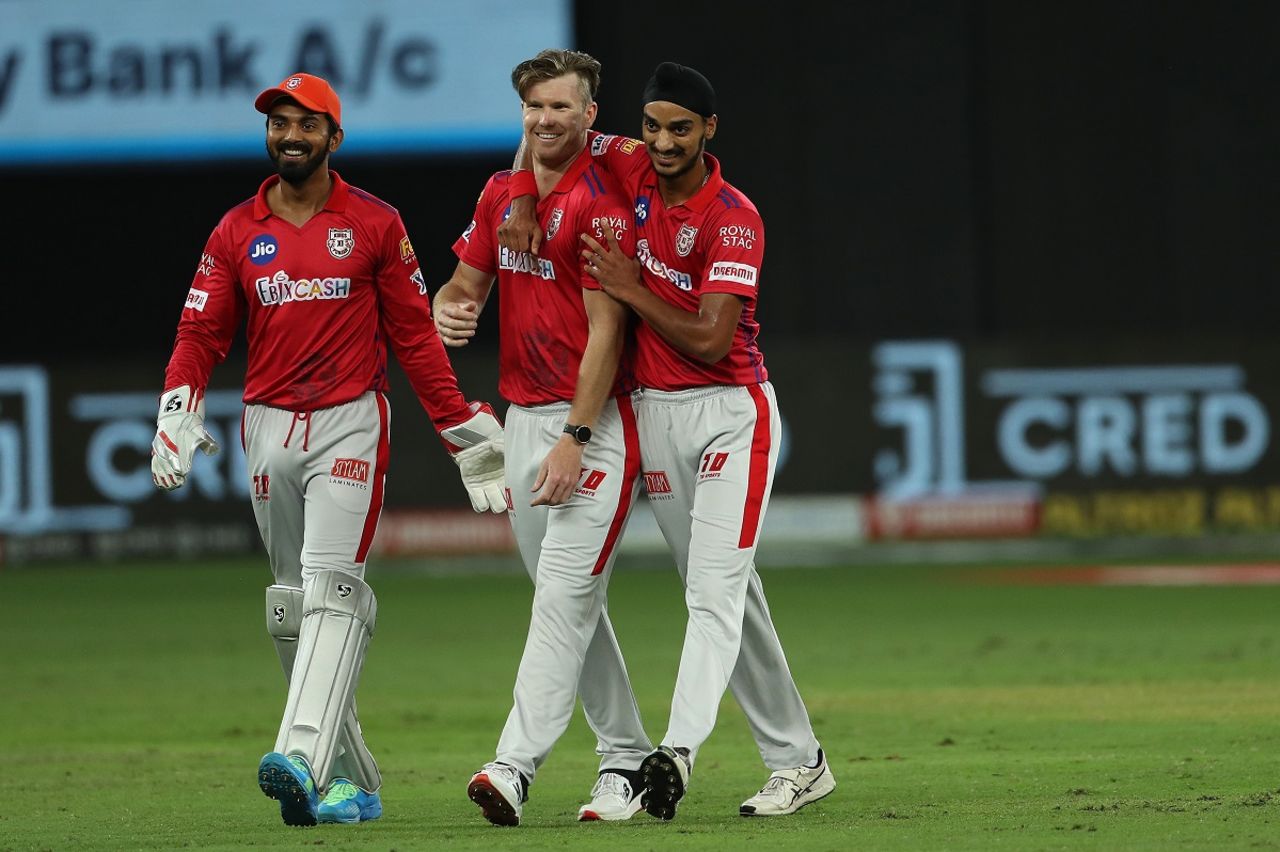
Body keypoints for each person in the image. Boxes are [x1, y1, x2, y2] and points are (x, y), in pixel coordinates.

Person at [149, 72, 507, 828]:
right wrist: (178, 404)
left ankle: (302, 758)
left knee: (331, 587)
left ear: (333, 138)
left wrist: (460, 432)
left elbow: (413, 334)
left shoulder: (375, 223)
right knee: (291, 606)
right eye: (278, 123)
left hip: (350, 419)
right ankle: (358, 781)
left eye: (305, 124)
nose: (289, 136)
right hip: (267, 427)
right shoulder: (236, 230)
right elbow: (201, 332)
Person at [500, 61, 836, 820]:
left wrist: (627, 286)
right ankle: (800, 761)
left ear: (709, 130)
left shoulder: (734, 216)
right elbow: (546, 136)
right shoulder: (628, 161)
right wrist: (522, 194)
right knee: (731, 595)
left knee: (711, 595)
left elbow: (713, 339)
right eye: (652, 125)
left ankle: (674, 752)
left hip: (730, 414)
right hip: (654, 414)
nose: (661, 141)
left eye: (679, 128)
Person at [430, 49, 653, 827]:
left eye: (562, 107)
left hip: (589, 426)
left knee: (562, 598)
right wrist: (449, 312)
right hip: (520, 424)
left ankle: (512, 767)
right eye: (535, 108)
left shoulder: (604, 201)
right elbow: (462, 286)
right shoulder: (502, 194)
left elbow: (607, 332)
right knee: (571, 603)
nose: (547, 120)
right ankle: (626, 763)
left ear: (591, 116)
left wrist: (576, 435)